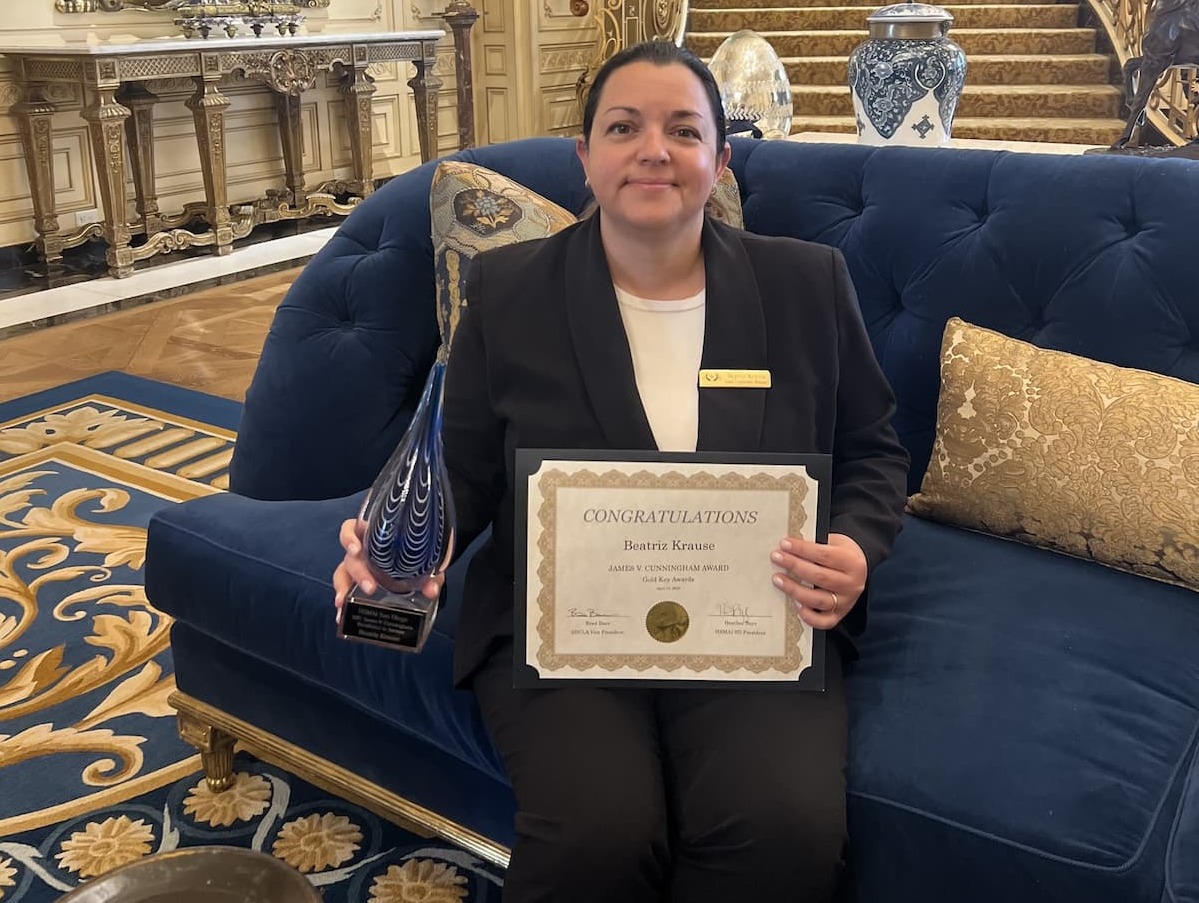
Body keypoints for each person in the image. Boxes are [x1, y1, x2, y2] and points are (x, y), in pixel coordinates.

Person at [334, 39, 909, 902]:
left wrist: (854, 548)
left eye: (683, 130)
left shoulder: (805, 284)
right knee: (595, 833)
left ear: (720, 159)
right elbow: (463, 471)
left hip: (754, 618)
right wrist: (399, 549)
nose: (653, 150)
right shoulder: (509, 290)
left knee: (784, 826)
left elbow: (871, 450)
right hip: (560, 621)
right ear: (584, 156)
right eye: (623, 127)